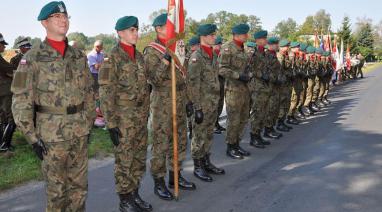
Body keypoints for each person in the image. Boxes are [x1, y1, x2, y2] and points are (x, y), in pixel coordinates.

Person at [11, 2, 95, 211]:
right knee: (57, 194)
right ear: (44, 22)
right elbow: (20, 100)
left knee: (79, 189)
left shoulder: (78, 56)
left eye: (65, 16)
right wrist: (31, 138)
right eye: (57, 16)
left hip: (79, 132)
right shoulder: (31, 58)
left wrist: (89, 121)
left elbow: (89, 93)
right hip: (51, 137)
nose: (63, 20)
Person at [98, 16, 152, 212]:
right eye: (131, 30)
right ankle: (124, 199)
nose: (136, 33)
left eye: (137, 30)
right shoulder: (111, 58)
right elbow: (105, 93)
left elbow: (146, 87)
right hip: (123, 118)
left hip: (140, 117)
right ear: (120, 33)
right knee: (124, 160)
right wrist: (111, 123)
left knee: (138, 158)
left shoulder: (139, 57)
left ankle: (135, 193)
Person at [144, 13, 196, 201]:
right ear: (159, 29)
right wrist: (165, 60)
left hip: (180, 98)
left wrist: (189, 100)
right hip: (163, 102)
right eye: (168, 27)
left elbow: (184, 77)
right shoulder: (151, 51)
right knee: (161, 143)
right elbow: (154, 79)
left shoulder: (179, 47)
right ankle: (159, 182)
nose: (173, 30)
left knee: (180, 139)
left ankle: (176, 176)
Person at [187, 24, 225, 182]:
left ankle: (206, 161)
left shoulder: (214, 55)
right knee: (198, 136)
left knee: (209, 134)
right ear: (203, 37)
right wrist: (197, 107)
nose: (214, 37)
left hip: (213, 102)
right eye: (211, 35)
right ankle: (197, 166)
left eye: (214, 35)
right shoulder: (197, 57)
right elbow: (192, 84)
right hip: (202, 103)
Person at [219, 23, 252, 159]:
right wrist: (239, 76)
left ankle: (237, 144)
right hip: (233, 90)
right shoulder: (228, 48)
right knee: (233, 119)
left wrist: (248, 74)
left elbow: (245, 65)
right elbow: (221, 69)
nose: (247, 36)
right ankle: (230, 146)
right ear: (237, 35)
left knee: (244, 118)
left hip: (244, 89)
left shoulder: (242, 48)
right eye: (245, 34)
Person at [0, 33, 17, 152]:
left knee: (3, 118)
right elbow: (10, 70)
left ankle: (2, 142)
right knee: (11, 118)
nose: (4, 47)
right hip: (4, 92)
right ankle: (5, 145)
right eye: (2, 45)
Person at [213, 35, 226, 134]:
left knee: (220, 104)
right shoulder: (212, 54)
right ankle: (213, 124)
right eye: (219, 44)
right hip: (214, 83)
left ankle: (216, 122)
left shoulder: (221, 54)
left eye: (220, 44)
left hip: (221, 82)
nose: (221, 45)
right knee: (214, 104)